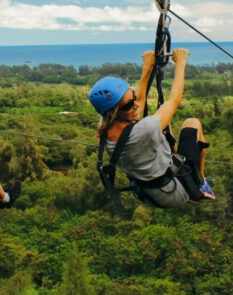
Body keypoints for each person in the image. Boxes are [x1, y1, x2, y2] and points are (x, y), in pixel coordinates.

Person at [89, 48, 214, 208]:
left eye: (132, 98)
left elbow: (138, 104)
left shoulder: (105, 131)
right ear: (114, 113)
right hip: (174, 192)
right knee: (192, 123)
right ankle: (200, 182)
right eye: (128, 104)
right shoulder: (144, 130)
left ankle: (194, 179)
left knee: (168, 135)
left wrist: (147, 68)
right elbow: (174, 101)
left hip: (150, 192)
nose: (135, 104)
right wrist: (181, 63)